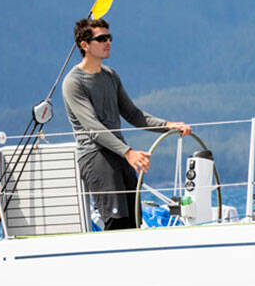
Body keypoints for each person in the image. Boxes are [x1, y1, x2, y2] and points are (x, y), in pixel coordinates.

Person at [62, 18, 192, 229]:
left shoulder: (111, 76)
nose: (108, 42)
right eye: (101, 38)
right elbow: (93, 128)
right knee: (116, 221)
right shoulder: (73, 82)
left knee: (134, 219)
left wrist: (168, 125)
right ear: (84, 45)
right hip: (96, 156)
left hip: (119, 154)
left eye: (109, 37)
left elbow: (133, 114)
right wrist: (129, 152)